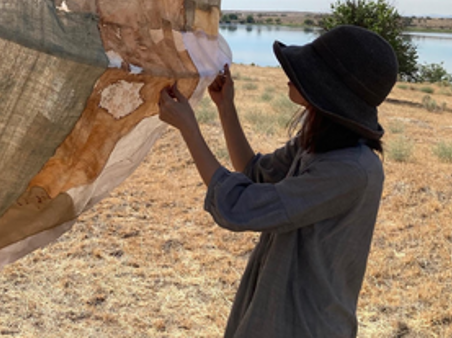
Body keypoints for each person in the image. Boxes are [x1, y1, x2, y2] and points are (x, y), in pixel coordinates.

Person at [158, 25, 398, 337]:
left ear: (328, 90)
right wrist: (225, 106)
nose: (292, 71)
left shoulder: (350, 170)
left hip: (303, 324)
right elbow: (254, 172)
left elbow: (241, 207)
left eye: (309, 71)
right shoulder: (318, 144)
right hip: (277, 310)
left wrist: (190, 129)